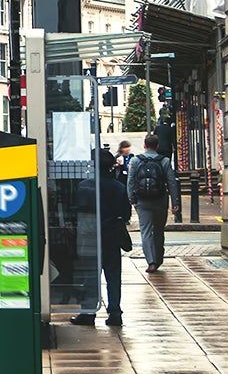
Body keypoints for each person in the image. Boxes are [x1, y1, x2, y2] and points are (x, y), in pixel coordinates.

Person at [71, 147, 128, 327]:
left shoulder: (85, 185)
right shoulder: (119, 187)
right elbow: (126, 213)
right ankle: (115, 312)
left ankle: (88, 312)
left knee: (89, 275)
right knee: (113, 276)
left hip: (90, 236)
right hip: (112, 236)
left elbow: (76, 212)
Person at [127, 131, 181, 272]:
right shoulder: (164, 161)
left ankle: (150, 261)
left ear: (144, 145)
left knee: (145, 231)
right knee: (158, 231)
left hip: (142, 201)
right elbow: (171, 183)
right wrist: (175, 202)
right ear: (157, 146)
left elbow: (130, 182)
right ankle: (158, 259)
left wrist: (132, 198)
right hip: (160, 200)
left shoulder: (135, 161)